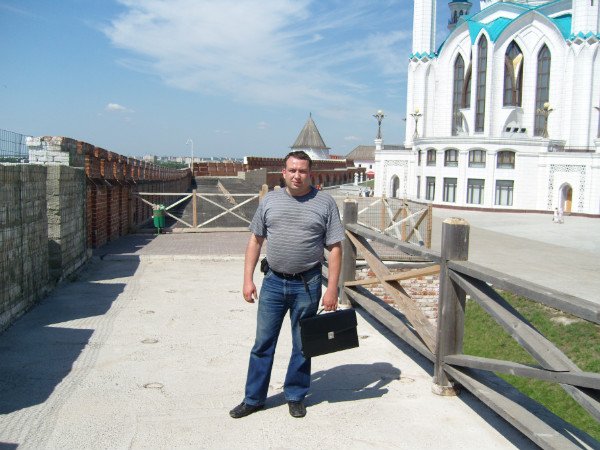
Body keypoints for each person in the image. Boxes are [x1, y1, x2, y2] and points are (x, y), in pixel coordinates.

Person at [229, 150, 344, 419]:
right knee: (262, 344)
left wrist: (332, 289)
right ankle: (254, 398)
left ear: (310, 174)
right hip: (273, 282)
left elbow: (335, 248)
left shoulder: (325, 203)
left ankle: (295, 395)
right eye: (292, 170)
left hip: (307, 284)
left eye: (302, 171)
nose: (297, 175)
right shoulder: (270, 200)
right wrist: (247, 279)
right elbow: (255, 240)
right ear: (283, 172)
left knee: (303, 344)